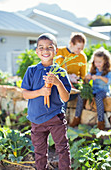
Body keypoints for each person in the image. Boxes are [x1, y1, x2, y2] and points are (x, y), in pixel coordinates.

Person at [21, 33, 71, 170]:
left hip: (55, 117)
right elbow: (25, 94)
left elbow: (66, 98)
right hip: (36, 119)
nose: (45, 50)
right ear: (37, 51)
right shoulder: (31, 71)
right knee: (40, 152)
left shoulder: (60, 72)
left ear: (56, 51)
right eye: (41, 47)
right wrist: (40, 92)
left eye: (49, 47)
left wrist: (57, 82)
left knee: (62, 148)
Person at [70, 47, 111, 130]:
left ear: (105, 61)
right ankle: (76, 118)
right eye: (96, 62)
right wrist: (87, 78)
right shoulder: (93, 69)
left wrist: (99, 77)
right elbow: (86, 80)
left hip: (103, 91)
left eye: (100, 62)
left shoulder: (108, 71)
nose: (97, 64)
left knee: (98, 98)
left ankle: (101, 121)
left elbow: (108, 81)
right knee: (81, 96)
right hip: (94, 90)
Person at [55, 32, 87, 109]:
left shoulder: (82, 57)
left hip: (74, 85)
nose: (80, 51)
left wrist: (79, 81)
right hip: (59, 83)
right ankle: (61, 118)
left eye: (82, 49)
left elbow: (83, 76)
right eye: (78, 48)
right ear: (72, 44)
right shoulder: (60, 52)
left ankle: (76, 118)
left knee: (81, 95)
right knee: (62, 94)